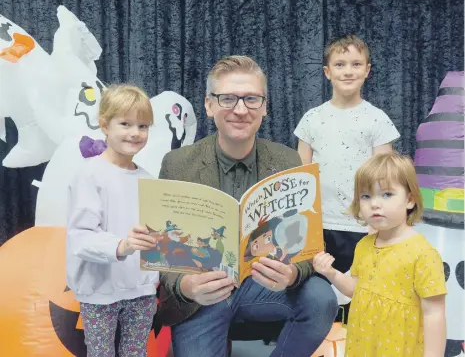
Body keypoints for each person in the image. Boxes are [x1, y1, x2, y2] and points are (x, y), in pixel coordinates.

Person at [156, 55, 338, 357]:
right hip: (202, 297)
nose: (240, 110)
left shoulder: (287, 162)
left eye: (251, 99)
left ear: (264, 107)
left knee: (321, 298)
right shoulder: (178, 164)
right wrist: (185, 285)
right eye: (227, 98)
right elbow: (162, 252)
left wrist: (292, 274)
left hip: (263, 286)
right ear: (209, 104)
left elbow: (309, 247)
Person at [313, 153, 447, 356]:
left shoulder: (423, 254)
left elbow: (434, 313)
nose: (375, 203)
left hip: (400, 347)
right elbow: (356, 290)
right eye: (366, 196)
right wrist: (331, 273)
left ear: (410, 200)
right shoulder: (364, 246)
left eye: (386, 194)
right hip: (363, 342)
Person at [294, 34, 401, 276]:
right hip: (319, 227)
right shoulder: (311, 119)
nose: (348, 71)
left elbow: (384, 179)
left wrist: (377, 224)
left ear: (367, 70)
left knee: (360, 293)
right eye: (340, 65)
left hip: (363, 226)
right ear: (327, 72)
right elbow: (301, 177)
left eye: (356, 64)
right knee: (322, 294)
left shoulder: (377, 119)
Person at [66, 84, 159, 356]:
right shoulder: (89, 175)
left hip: (141, 290)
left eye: (143, 126)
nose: (135, 133)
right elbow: (80, 237)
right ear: (105, 125)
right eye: (126, 123)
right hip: (99, 290)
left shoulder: (148, 180)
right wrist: (121, 246)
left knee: (135, 352)